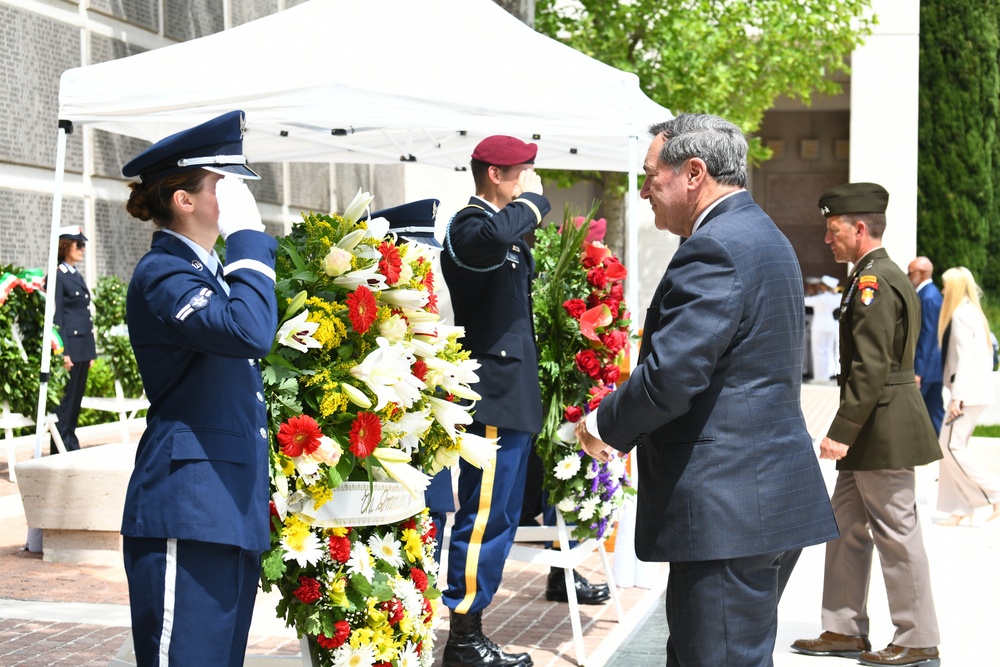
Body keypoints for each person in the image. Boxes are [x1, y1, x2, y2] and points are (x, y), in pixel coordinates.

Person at [575, 113, 838, 667]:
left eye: (651, 174)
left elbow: (673, 376)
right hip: (758, 500)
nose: (644, 189)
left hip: (730, 507)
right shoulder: (761, 233)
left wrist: (601, 425)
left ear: (694, 173)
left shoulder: (715, 247)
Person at [119, 110, 278, 667]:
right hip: (186, 506)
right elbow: (248, 330)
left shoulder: (210, 274)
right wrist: (249, 241)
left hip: (225, 507)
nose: (233, 196)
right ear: (184, 200)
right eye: (219, 183)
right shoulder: (164, 273)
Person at [792, 183, 942, 667]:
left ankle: (918, 637)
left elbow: (871, 367)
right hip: (875, 430)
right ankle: (843, 629)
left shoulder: (876, 280)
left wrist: (842, 428)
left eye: (833, 230)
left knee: (896, 533)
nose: (826, 239)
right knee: (846, 528)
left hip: (883, 428)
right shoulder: (871, 275)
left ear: (860, 228)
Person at [438, 135, 551, 667]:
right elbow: (499, 232)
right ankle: (462, 638)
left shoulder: (499, 232)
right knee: (482, 517)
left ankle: (473, 630)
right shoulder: (468, 226)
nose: (530, 179)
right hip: (491, 398)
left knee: (500, 517)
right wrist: (533, 200)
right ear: (495, 176)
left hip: (513, 396)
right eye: (522, 172)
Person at [934, 266, 1000, 525]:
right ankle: (960, 509)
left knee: (951, 446)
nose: (942, 290)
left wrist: (957, 398)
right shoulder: (973, 312)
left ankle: (994, 493)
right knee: (949, 446)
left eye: (945, 285)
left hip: (967, 394)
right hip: (974, 392)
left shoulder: (961, 314)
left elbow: (965, 360)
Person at [47, 225, 97, 454]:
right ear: (65, 245)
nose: (82, 249)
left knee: (76, 398)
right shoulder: (57, 275)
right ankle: (59, 445)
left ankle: (70, 439)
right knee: (66, 400)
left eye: (83, 245)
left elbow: (84, 314)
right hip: (70, 347)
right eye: (79, 244)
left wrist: (91, 351)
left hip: (83, 346)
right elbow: (57, 316)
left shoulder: (75, 275)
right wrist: (63, 351)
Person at [804, 275, 842, 383]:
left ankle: (820, 378)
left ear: (824, 287)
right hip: (830, 325)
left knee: (818, 351)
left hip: (819, 325)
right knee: (828, 351)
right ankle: (826, 376)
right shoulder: (836, 297)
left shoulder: (821, 298)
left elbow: (805, 301)